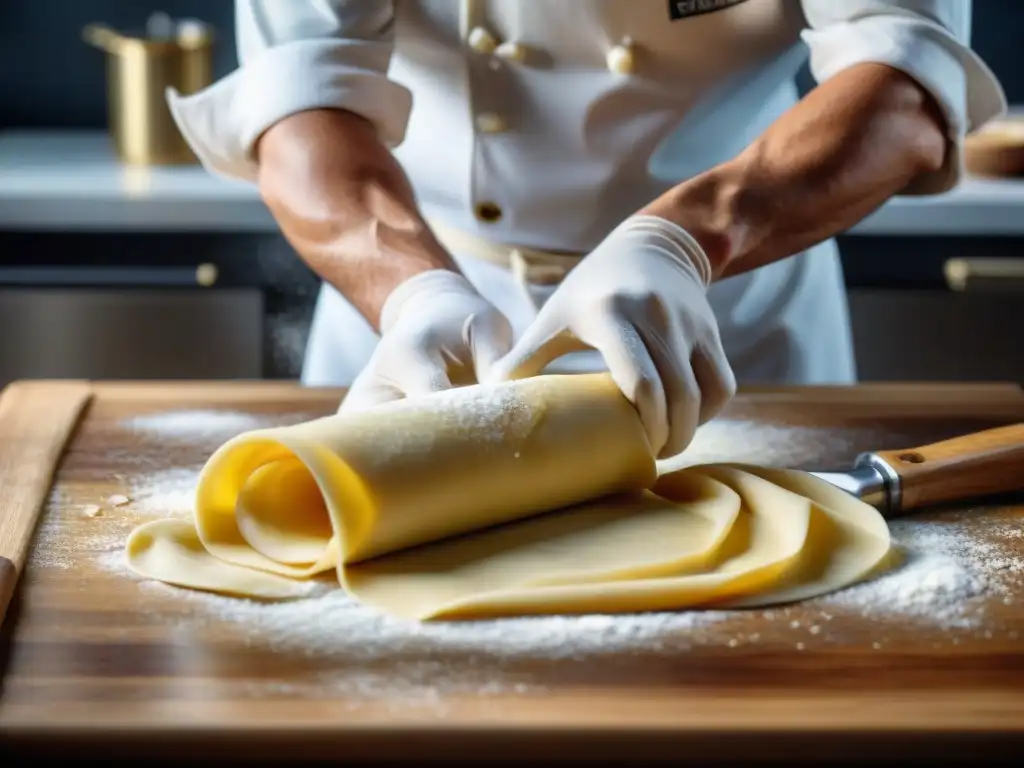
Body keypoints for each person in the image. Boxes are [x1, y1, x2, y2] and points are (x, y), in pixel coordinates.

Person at [168, 0, 1004, 459]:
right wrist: (413, 295)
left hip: (729, 306)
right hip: (417, 308)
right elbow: (297, 106)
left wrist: (682, 241)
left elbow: (905, 81)